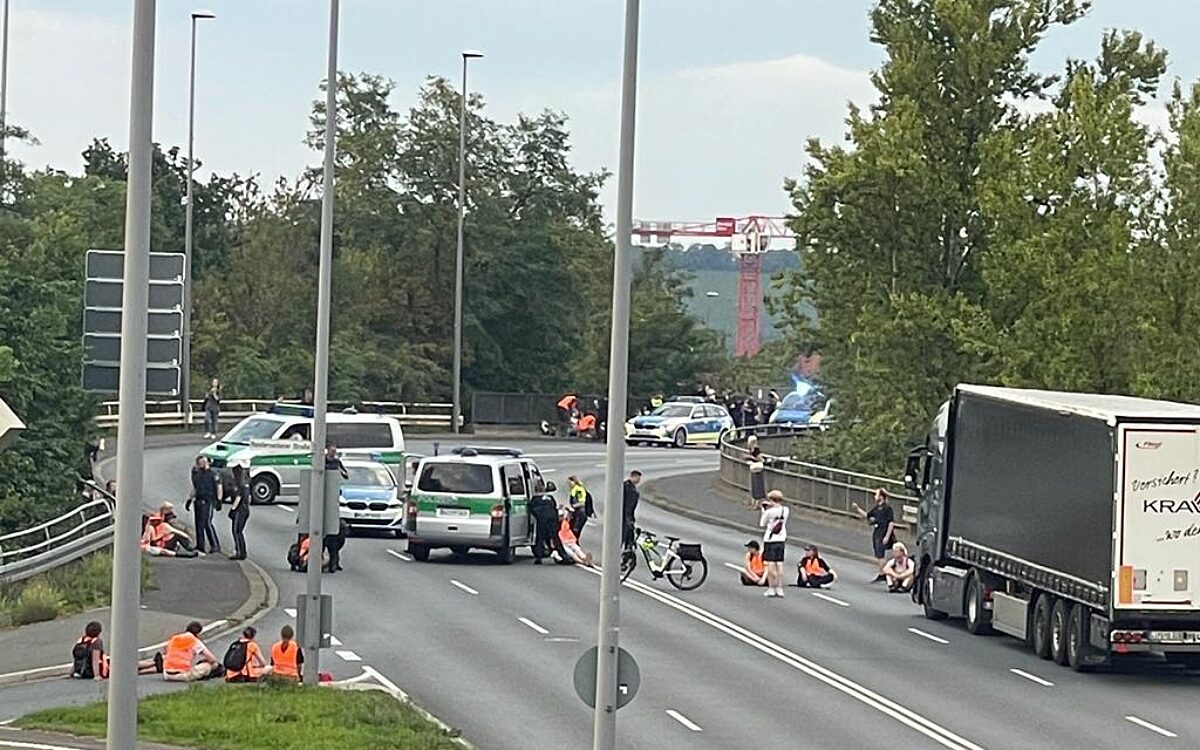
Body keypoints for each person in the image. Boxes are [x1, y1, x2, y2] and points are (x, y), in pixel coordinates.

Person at [70, 621, 160, 680]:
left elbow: (78, 658)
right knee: (126, 666)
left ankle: (154, 667)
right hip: (96, 670)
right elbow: (95, 660)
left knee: (126, 669)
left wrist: (73, 671)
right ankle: (154, 664)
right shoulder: (96, 642)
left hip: (83, 671)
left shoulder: (81, 641)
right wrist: (97, 675)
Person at [852, 488, 898, 583]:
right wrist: (857, 509)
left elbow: (891, 523)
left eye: (876, 494)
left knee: (880, 554)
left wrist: (887, 536)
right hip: (877, 532)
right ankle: (882, 573)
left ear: (881, 496)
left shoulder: (887, 508)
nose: (874, 496)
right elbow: (867, 515)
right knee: (878, 554)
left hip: (883, 532)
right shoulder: (877, 508)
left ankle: (884, 573)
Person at [187, 455, 222, 554]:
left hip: (208, 500)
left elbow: (219, 486)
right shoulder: (197, 474)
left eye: (202, 462)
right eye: (198, 463)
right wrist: (190, 499)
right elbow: (195, 488)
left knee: (207, 522)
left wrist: (219, 500)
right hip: (198, 500)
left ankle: (215, 545)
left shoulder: (213, 473)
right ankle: (200, 545)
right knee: (198, 524)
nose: (199, 464)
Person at [759, 489, 789, 598]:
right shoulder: (785, 510)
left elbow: (762, 523)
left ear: (771, 500)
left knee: (770, 564)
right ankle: (780, 588)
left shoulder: (769, 512)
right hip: (781, 539)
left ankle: (772, 587)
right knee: (779, 564)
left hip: (770, 540)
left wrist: (764, 510)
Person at [529, 481, 566, 564]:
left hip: (542, 520)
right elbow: (554, 507)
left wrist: (538, 516)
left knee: (540, 538)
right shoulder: (550, 497)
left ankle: (539, 558)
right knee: (555, 538)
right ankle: (564, 555)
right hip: (552, 519)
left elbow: (531, 509)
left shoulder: (535, 499)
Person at [227, 463, 251, 560]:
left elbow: (238, 497)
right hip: (245, 510)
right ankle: (241, 551)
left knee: (237, 531)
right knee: (238, 531)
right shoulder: (245, 484)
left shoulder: (239, 485)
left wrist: (233, 509)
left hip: (240, 510)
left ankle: (240, 552)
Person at [566, 475, 593, 542]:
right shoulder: (574, 490)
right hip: (577, 514)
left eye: (569, 483)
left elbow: (582, 503)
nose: (569, 485)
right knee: (573, 532)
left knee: (575, 532)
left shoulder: (579, 490)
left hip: (580, 514)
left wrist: (572, 507)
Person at [622, 470, 642, 549]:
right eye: (638, 478)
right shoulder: (627, 488)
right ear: (633, 477)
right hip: (625, 518)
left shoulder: (632, 488)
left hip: (628, 517)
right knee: (623, 537)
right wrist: (628, 518)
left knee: (629, 538)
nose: (639, 480)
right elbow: (627, 505)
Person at [747, 435, 766, 508]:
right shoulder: (754, 449)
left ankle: (756, 503)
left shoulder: (753, 449)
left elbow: (759, 458)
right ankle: (755, 503)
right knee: (756, 486)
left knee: (756, 486)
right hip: (756, 468)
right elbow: (760, 458)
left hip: (755, 468)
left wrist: (752, 458)